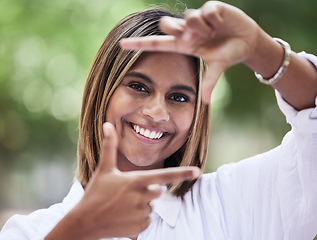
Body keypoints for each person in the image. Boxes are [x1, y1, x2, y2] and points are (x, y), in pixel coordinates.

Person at [1, 1, 317, 239]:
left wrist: (262, 51)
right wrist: (77, 229)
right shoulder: (30, 232)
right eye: (138, 86)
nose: (157, 112)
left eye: (179, 97)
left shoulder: (236, 201)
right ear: (102, 91)